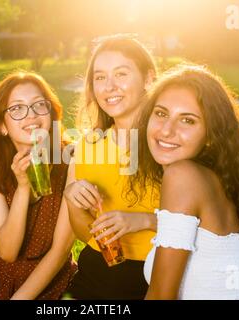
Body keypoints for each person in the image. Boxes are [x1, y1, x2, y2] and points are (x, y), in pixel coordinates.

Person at [130, 64, 239, 299]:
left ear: (210, 134)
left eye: (187, 120)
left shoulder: (183, 175)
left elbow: (161, 295)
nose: (167, 130)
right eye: (161, 113)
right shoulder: (212, 176)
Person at [0, 72, 76, 300]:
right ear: (2, 125)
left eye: (39, 105)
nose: (31, 116)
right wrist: (23, 187)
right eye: (17, 109)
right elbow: (7, 252)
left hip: (49, 280)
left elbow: (59, 252)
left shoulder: (72, 160)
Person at [64, 35, 159, 299]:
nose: (109, 87)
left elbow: (210, 227)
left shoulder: (170, 141)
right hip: (98, 273)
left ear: (149, 78)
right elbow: (86, 235)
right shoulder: (87, 147)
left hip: (160, 274)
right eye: (100, 77)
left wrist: (142, 221)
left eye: (121, 74)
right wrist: (72, 199)